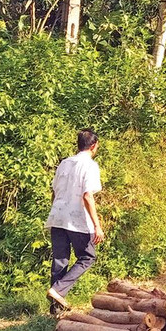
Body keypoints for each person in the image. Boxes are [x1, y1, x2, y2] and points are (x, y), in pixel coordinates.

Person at [45, 128, 105, 311]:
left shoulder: (64, 163)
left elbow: (54, 191)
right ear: (94, 146)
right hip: (76, 219)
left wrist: (56, 210)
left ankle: (55, 309)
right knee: (87, 257)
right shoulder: (90, 166)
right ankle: (58, 290)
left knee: (60, 260)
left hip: (58, 216)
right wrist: (97, 225)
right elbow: (87, 196)